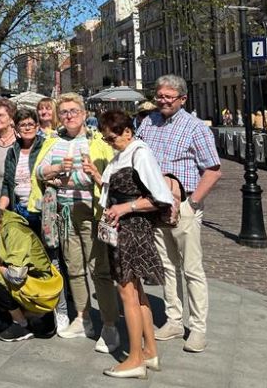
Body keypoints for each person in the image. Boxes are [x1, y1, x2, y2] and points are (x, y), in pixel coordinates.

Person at [137, 74, 222, 354]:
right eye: (159, 96)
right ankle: (174, 319)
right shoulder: (148, 122)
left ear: (182, 99)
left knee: (192, 268)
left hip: (183, 205)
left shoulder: (195, 128)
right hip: (156, 205)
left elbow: (213, 169)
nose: (162, 101)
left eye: (168, 97)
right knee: (167, 266)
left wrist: (193, 202)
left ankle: (198, 328)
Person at [34, 93, 119, 352]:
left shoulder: (98, 142)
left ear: (83, 113)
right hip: (66, 211)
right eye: (64, 112)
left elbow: (112, 175)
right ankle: (83, 319)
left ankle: (109, 325)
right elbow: (40, 170)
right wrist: (57, 171)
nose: (69, 116)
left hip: (92, 213)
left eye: (73, 111)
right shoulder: (54, 141)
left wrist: (92, 173)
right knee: (74, 268)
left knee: (100, 271)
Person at [98, 110, 174, 379]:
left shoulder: (139, 153)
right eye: (106, 139)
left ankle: (134, 359)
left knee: (127, 292)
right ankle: (150, 351)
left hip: (131, 230)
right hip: (124, 228)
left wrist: (124, 207)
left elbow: (161, 198)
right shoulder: (123, 154)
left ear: (127, 132)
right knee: (137, 292)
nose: (110, 143)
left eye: (112, 138)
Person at [0, 193, 64, 342]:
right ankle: (26, 315)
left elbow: (16, 277)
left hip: (37, 285)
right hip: (14, 283)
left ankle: (24, 322)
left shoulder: (14, 230)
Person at [0, 108, 47, 232]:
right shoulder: (12, 152)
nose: (27, 128)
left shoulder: (46, 147)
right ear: (16, 129)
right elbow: (6, 184)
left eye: (31, 124)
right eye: (22, 125)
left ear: (37, 127)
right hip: (19, 210)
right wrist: (1, 210)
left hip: (40, 211)